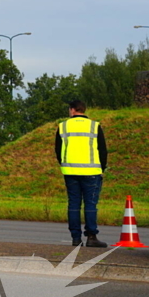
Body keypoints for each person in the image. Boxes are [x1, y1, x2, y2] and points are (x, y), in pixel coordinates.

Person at [55, 99, 108, 248]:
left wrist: (65, 164)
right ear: (83, 110)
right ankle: (91, 237)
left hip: (70, 171)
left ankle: (76, 238)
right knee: (90, 204)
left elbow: (58, 150)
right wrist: (101, 168)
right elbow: (102, 150)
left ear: (72, 110)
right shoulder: (94, 126)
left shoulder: (63, 126)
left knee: (74, 204)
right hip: (92, 171)